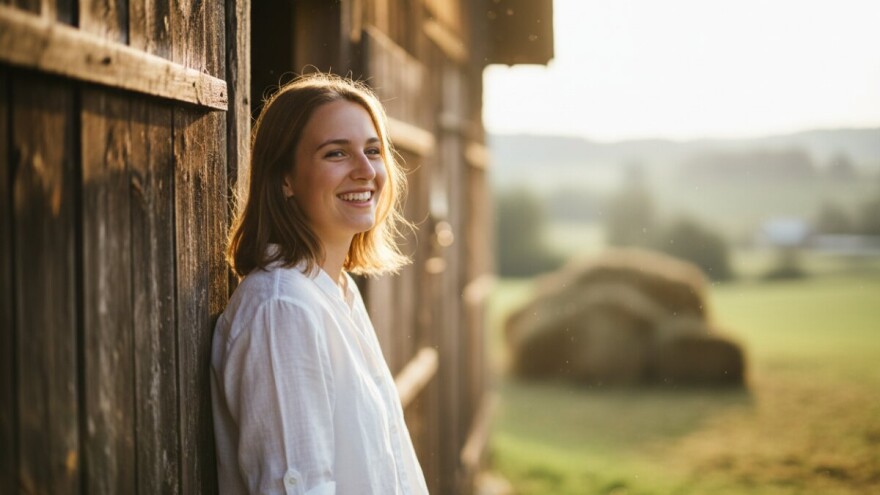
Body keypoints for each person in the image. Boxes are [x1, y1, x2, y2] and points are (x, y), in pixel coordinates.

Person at [210, 73, 429, 495]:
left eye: (373, 150)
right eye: (336, 153)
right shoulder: (282, 309)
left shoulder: (337, 289)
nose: (365, 170)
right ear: (285, 179)